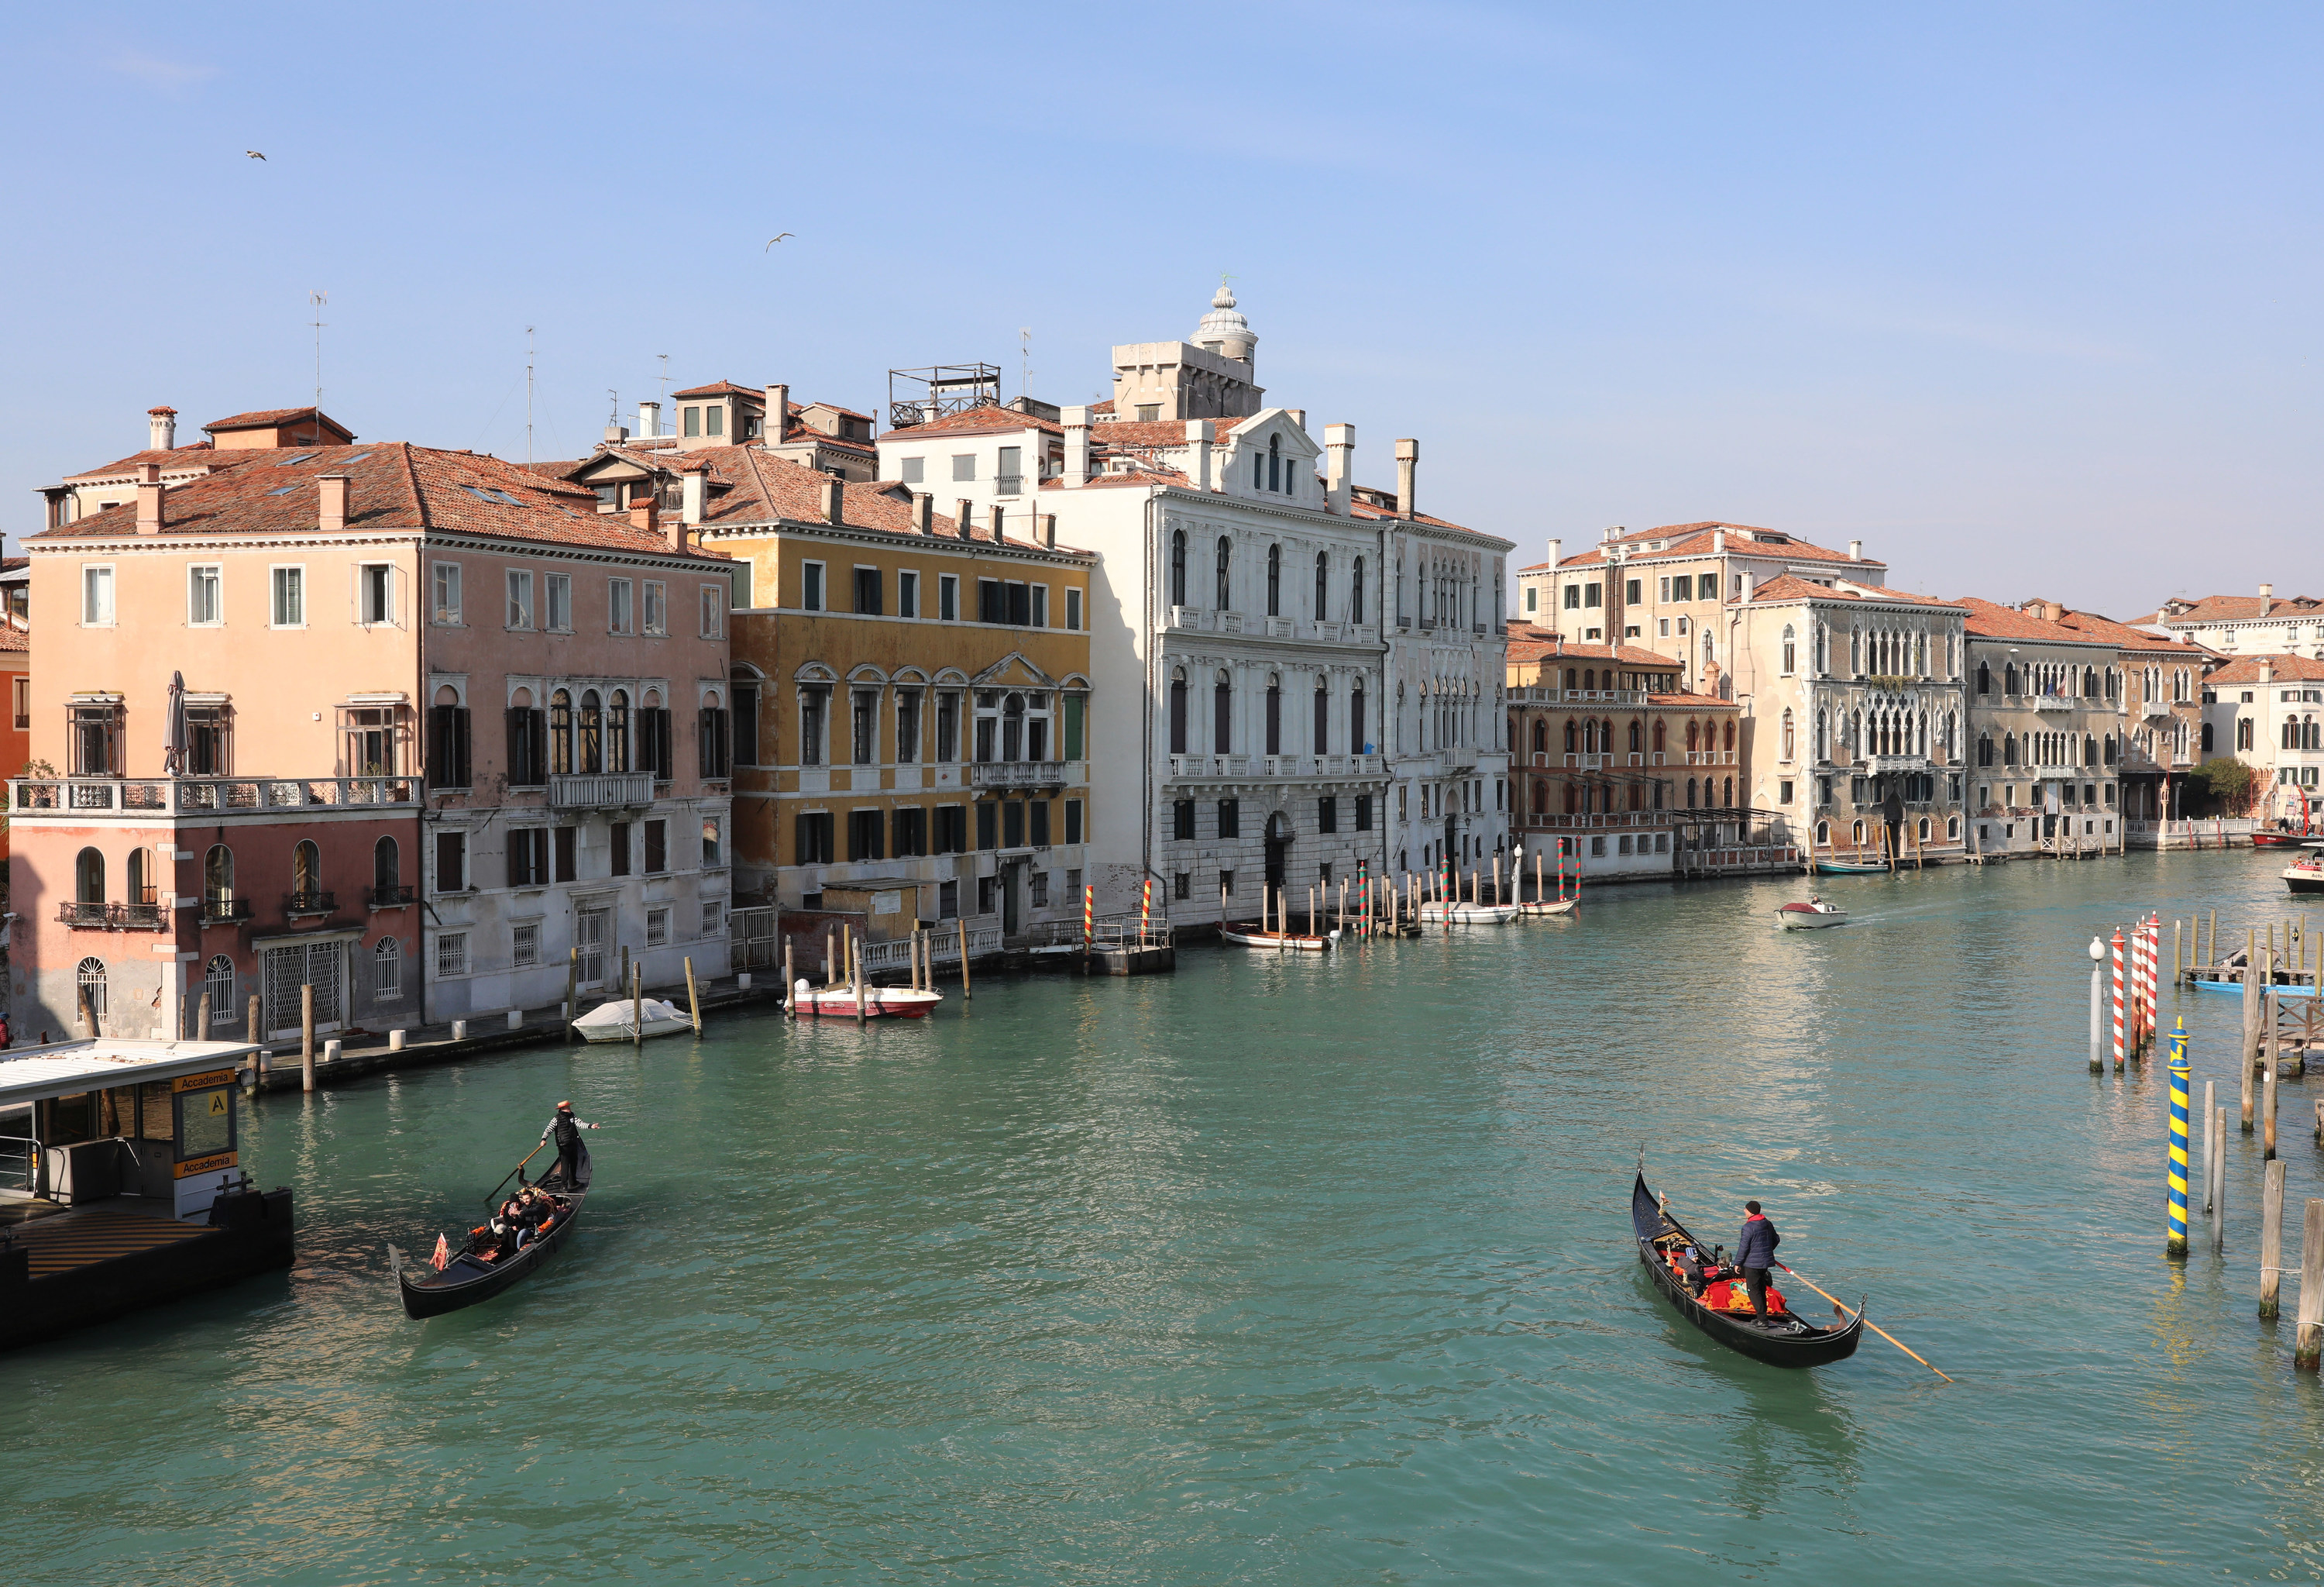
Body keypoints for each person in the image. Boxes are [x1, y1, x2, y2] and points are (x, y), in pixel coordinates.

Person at [1737, 1200, 1781, 1327]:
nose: (1744, 1211)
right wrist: (1765, 1252)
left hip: (1752, 1265)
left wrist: (1737, 1263)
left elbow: (1743, 1248)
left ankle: (1762, 1320)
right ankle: (1761, 1317)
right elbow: (1776, 1239)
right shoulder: (1767, 1223)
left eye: (1745, 1209)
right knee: (1761, 1289)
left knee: (1753, 1292)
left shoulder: (1748, 1227)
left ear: (1750, 1212)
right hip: (1764, 1263)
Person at [541, 1100, 598, 1187]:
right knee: (565, 1166)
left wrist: (591, 1126)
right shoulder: (556, 1119)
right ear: (563, 1108)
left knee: (574, 1163)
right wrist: (544, 1139)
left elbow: (580, 1124)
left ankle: (573, 1182)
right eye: (568, 1107)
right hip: (563, 1146)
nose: (570, 1108)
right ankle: (564, 1186)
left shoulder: (572, 1115)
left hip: (573, 1143)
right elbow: (548, 1130)